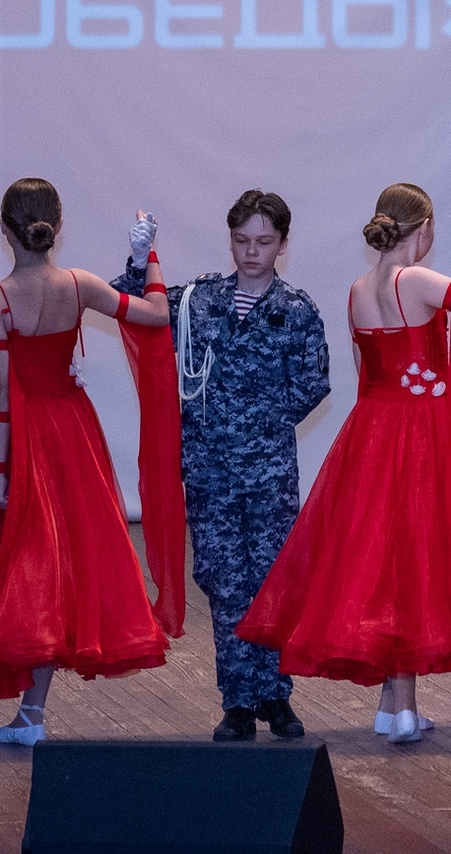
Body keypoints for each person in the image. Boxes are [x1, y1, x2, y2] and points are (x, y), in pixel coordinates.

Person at [236, 183, 451, 745]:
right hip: (421, 435)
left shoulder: (359, 289)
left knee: (386, 564)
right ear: (424, 229)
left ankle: (391, 706)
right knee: (414, 565)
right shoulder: (418, 280)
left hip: (372, 433)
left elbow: (366, 370)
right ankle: (403, 708)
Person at [0, 181, 176, 744]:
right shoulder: (80, 284)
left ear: (5, 229)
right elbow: (158, 315)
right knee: (59, 564)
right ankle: (31, 712)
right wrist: (149, 259)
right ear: (57, 227)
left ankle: (23, 715)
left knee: (22, 564)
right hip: (72, 434)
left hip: (20, 437)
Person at [122, 189, 331, 742]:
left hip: (268, 473)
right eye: (242, 240)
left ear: (283, 245)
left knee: (271, 581)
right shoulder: (198, 300)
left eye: (264, 241)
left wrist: (256, 420)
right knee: (225, 583)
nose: (251, 252)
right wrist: (140, 260)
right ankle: (238, 700)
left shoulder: (297, 309)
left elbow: (314, 382)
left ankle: (276, 695)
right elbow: (136, 309)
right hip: (209, 472)